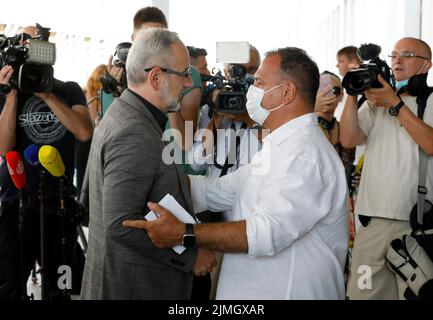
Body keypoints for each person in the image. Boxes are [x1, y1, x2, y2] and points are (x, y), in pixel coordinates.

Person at [123, 47, 349, 299]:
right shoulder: (280, 146)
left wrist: (184, 233)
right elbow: (217, 190)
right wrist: (150, 173)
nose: (251, 91)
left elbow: (264, 233)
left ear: (287, 92)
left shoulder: (305, 154)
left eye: (259, 83)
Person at [80, 28, 216, 300]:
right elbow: (120, 223)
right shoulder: (134, 130)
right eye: (184, 74)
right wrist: (190, 255)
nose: (189, 82)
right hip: (133, 286)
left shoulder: (127, 113)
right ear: (156, 77)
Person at [0, 26, 93, 300]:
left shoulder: (69, 90)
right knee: (9, 287)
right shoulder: (6, 95)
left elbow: (84, 131)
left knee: (60, 287)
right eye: (24, 42)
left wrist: (47, 94)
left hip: (59, 203)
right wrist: (12, 95)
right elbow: (4, 148)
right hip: (14, 200)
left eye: (36, 42)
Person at [340, 37, 433, 300]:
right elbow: (348, 139)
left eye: (407, 55)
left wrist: (395, 104)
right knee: (364, 295)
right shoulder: (374, 104)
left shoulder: (429, 100)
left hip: (415, 224)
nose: (397, 61)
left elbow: (430, 143)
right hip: (371, 224)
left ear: (426, 65)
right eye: (394, 56)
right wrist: (351, 94)